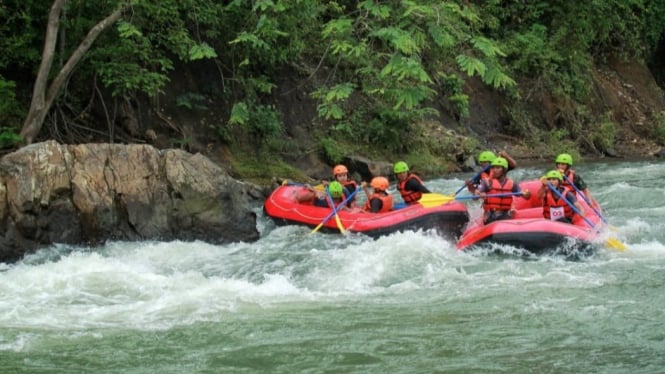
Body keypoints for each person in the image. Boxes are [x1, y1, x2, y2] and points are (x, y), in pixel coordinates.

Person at [474, 157, 531, 225]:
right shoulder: (486, 182)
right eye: (493, 168)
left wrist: (526, 194)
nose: (495, 170)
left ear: (504, 170)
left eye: (498, 168)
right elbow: (475, 196)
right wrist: (478, 194)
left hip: (506, 214)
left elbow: (525, 196)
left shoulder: (511, 183)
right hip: (491, 215)